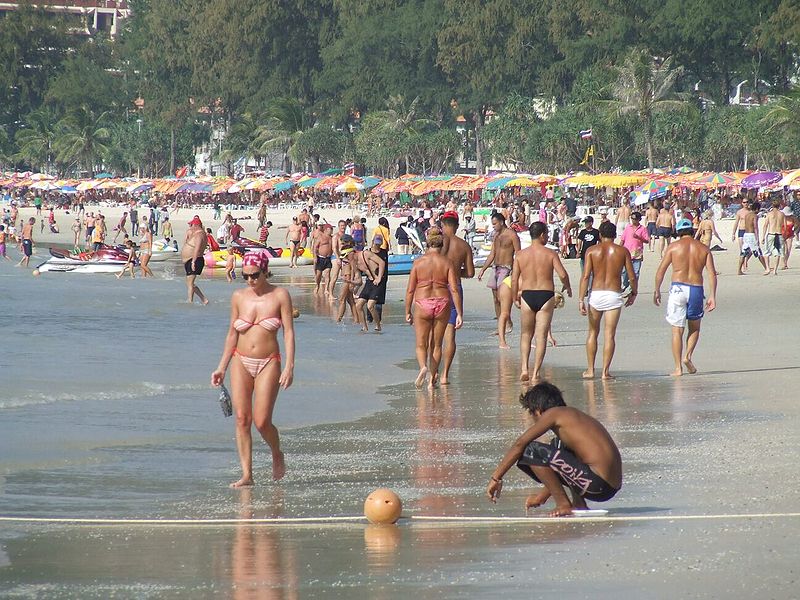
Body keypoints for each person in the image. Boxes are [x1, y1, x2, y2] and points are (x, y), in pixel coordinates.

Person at [211, 251, 295, 487]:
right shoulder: (238, 297)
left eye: (255, 275)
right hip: (240, 360)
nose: (250, 280)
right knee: (241, 419)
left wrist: (289, 366)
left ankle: (276, 453)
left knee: (261, 421)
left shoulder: (280, 295)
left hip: (269, 361)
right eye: (245, 276)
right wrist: (221, 367)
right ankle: (247, 475)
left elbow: (288, 332)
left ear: (265, 271)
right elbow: (232, 334)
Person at [487, 382, 622, 517]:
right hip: (607, 486)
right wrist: (541, 497)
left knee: (530, 450)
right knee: (558, 446)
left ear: (538, 410)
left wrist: (496, 478)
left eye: (531, 413)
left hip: (597, 485)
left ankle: (563, 504)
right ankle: (579, 504)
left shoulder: (553, 414)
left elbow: (520, 444)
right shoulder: (572, 416)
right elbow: (562, 467)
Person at [654, 218, 717, 376]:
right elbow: (711, 273)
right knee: (694, 327)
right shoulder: (703, 249)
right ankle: (687, 356)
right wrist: (712, 296)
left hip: (678, 288)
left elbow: (661, 270)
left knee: (677, 330)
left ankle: (677, 368)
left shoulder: (673, 247)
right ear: (691, 231)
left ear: (679, 233)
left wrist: (657, 290)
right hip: (696, 288)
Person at [511, 222, 572, 383]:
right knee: (541, 336)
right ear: (542, 235)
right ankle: (536, 372)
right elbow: (562, 274)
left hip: (527, 294)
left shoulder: (520, 255)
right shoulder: (550, 253)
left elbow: (514, 278)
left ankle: (524, 368)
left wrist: (514, 297)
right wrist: (568, 287)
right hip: (545, 294)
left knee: (525, 334)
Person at [405, 227, 462, 389]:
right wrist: (459, 313)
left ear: (427, 244)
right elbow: (454, 289)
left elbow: (410, 289)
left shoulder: (418, 263)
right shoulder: (447, 263)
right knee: (437, 345)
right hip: (442, 302)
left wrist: (407, 310)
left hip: (422, 302)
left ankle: (423, 367)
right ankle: (431, 380)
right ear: (441, 244)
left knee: (421, 343)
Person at [579, 221, 637, 380]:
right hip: (613, 294)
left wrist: (580, 299)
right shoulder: (622, 251)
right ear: (615, 235)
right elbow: (631, 276)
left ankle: (590, 370)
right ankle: (605, 372)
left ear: (599, 235)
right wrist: (634, 292)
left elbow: (585, 277)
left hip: (596, 294)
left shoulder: (591, 251)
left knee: (592, 332)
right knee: (609, 335)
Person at [440, 211, 475, 385]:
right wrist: (455, 272)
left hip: (438, 287)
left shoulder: (440, 242)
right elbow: (470, 272)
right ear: (458, 225)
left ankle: (432, 374)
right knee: (450, 336)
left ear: (443, 224)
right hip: (456, 288)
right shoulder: (464, 246)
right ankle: (445, 375)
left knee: (433, 334)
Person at [477, 213, 520, 349]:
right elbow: (492, 254)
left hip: (507, 268)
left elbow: (518, 253)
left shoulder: (512, 235)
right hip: (495, 267)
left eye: (495, 223)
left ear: (502, 222)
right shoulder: (496, 236)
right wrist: (483, 269)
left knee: (503, 298)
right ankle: (501, 325)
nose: (493, 226)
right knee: (495, 298)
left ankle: (508, 322)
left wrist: (516, 271)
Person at [353, 235, 386, 332]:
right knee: (358, 305)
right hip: (368, 283)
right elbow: (359, 280)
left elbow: (382, 263)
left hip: (377, 282)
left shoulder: (365, 253)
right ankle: (364, 327)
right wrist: (353, 290)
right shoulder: (354, 263)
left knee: (370, 306)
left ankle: (378, 325)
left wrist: (379, 278)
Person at [619, 211, 650, 290]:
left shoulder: (643, 229)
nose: (633, 220)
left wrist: (639, 237)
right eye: (632, 219)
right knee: (624, 271)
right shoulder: (628, 227)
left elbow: (647, 241)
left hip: (637, 253)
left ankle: (633, 287)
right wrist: (619, 249)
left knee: (636, 272)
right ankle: (625, 284)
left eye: (635, 219)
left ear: (639, 219)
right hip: (627, 252)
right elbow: (622, 239)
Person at [182, 215, 208, 304]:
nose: (190, 227)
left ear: (196, 225)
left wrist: (193, 261)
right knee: (189, 283)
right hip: (190, 259)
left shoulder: (200, 234)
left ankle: (190, 301)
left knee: (190, 283)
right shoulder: (197, 234)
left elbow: (197, 248)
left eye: (192, 225)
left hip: (194, 260)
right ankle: (203, 299)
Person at [737, 201, 768, 275]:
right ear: (756, 209)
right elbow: (755, 227)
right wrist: (757, 238)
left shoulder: (747, 215)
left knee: (743, 253)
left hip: (746, 234)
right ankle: (766, 268)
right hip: (751, 235)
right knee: (759, 252)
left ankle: (739, 270)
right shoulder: (755, 216)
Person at [761, 199, 786, 276]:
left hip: (771, 233)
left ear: (772, 205)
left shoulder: (769, 214)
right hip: (779, 234)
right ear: (779, 206)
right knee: (777, 253)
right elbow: (785, 226)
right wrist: (784, 236)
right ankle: (775, 270)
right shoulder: (782, 214)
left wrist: (763, 236)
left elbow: (765, 225)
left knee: (766, 252)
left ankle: (768, 268)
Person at [312, 224, 333, 294]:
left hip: (328, 258)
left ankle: (326, 289)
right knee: (319, 275)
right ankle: (317, 285)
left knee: (327, 274)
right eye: (330, 229)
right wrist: (315, 257)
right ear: (326, 230)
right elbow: (315, 247)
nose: (332, 231)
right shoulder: (320, 237)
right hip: (321, 258)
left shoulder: (331, 238)